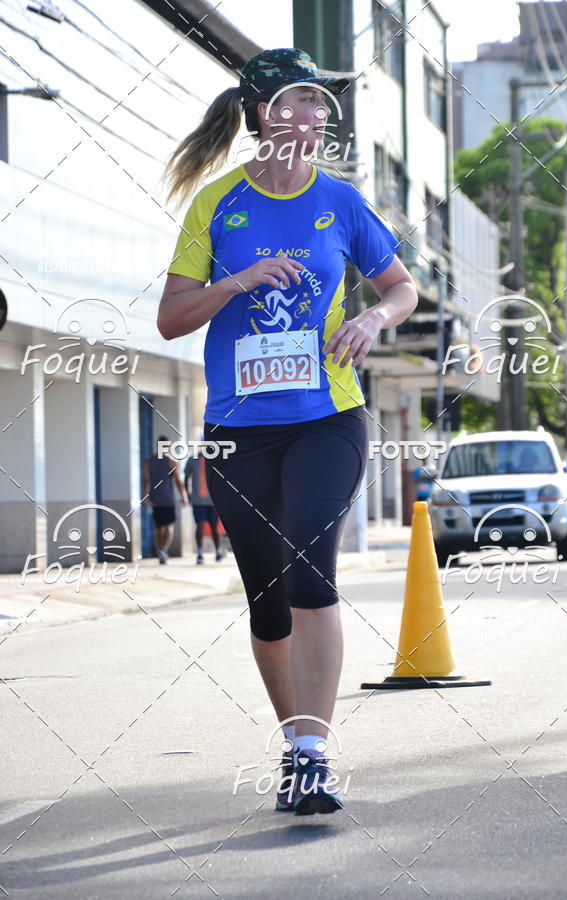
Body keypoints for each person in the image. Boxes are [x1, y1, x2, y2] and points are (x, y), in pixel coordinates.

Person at [158, 48, 418, 815]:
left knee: (311, 569)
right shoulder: (215, 205)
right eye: (300, 102)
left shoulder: (340, 202)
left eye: (321, 105)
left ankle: (313, 753)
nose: (314, 118)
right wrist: (238, 279)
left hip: (327, 417)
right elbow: (172, 319)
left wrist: (373, 314)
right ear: (264, 113)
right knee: (268, 602)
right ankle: (293, 739)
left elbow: (402, 287)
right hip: (238, 430)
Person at [143, 436, 188, 564]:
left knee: (159, 527)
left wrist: (146, 497)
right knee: (168, 526)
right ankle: (163, 550)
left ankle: (161, 550)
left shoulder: (148, 462)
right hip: (168, 499)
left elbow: (147, 480)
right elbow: (179, 481)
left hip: (155, 498)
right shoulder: (171, 462)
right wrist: (184, 497)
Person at [184, 431, 227, 564]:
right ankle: (200, 554)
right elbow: (186, 478)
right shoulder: (193, 459)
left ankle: (218, 551)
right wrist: (188, 495)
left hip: (213, 500)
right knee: (201, 525)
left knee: (214, 526)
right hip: (198, 500)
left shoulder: (217, 459)